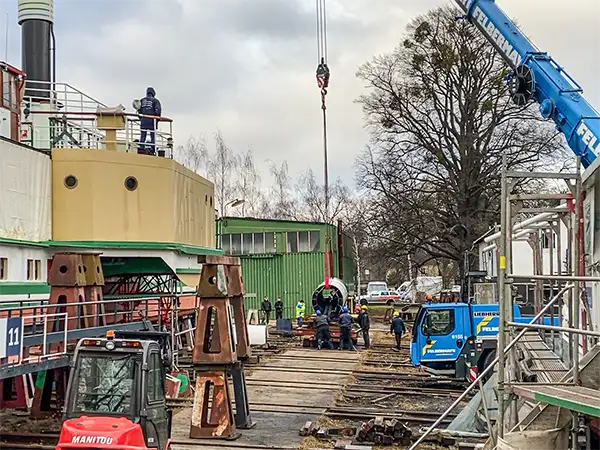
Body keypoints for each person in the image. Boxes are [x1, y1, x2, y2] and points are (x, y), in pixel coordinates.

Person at [137, 87, 162, 155]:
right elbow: (158, 111)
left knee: (143, 135)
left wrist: (141, 118)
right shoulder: (155, 101)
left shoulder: (142, 100)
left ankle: (141, 147)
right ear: (153, 93)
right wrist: (157, 120)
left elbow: (138, 111)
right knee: (152, 136)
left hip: (143, 121)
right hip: (152, 121)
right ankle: (152, 149)